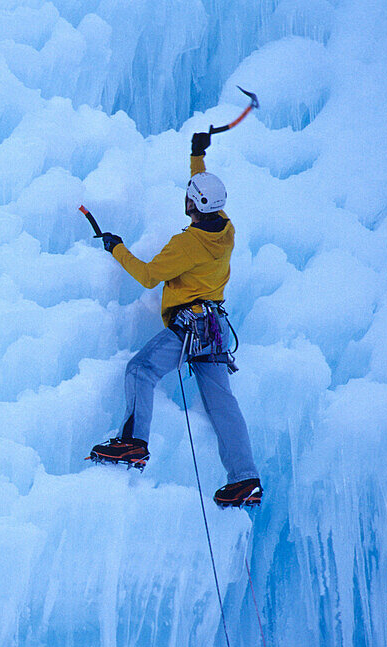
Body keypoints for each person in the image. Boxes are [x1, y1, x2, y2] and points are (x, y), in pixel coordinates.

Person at [89, 132, 262, 507]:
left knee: (140, 371)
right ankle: (245, 479)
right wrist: (197, 155)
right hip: (214, 329)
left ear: (195, 203)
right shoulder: (226, 229)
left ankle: (134, 444)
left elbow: (150, 276)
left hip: (190, 328)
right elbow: (205, 192)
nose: (185, 198)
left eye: (189, 196)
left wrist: (117, 248)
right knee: (222, 405)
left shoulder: (187, 244)